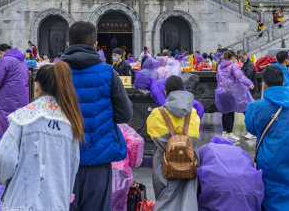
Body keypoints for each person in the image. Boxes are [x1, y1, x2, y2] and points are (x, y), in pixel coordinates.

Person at [61, 21, 133, 211]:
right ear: (95, 45)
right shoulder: (108, 73)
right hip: (99, 160)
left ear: (68, 44)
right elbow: (125, 114)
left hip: (62, 159)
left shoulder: (53, 73)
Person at [0, 61, 83, 211]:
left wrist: (4, 180)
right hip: (57, 203)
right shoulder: (71, 123)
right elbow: (72, 168)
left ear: (36, 86)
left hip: (21, 202)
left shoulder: (23, 117)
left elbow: (4, 159)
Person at [245, 65, 289, 211]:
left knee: (272, 196)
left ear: (264, 84)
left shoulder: (254, 107)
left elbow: (251, 129)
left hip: (271, 158)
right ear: (283, 84)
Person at [145, 75, 200, 211]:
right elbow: (194, 138)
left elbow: (154, 136)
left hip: (164, 163)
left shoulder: (157, 113)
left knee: (165, 198)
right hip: (189, 162)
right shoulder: (193, 113)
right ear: (183, 90)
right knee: (187, 199)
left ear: (165, 92)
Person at [196, 136, 263, 211]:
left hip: (218, 186)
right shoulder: (239, 150)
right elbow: (250, 165)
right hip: (247, 187)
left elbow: (195, 164)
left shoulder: (207, 147)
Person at [0, 43, 29, 138]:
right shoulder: (22, 60)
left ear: (1, 53)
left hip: (6, 99)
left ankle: (5, 148)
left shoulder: (6, 60)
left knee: (3, 126)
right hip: (22, 99)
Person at [215, 51, 254, 142]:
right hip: (229, 92)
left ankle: (225, 132)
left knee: (225, 112)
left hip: (221, 91)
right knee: (230, 112)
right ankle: (229, 133)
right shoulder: (233, 66)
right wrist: (249, 83)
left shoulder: (220, 66)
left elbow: (217, 77)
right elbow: (240, 76)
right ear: (233, 57)